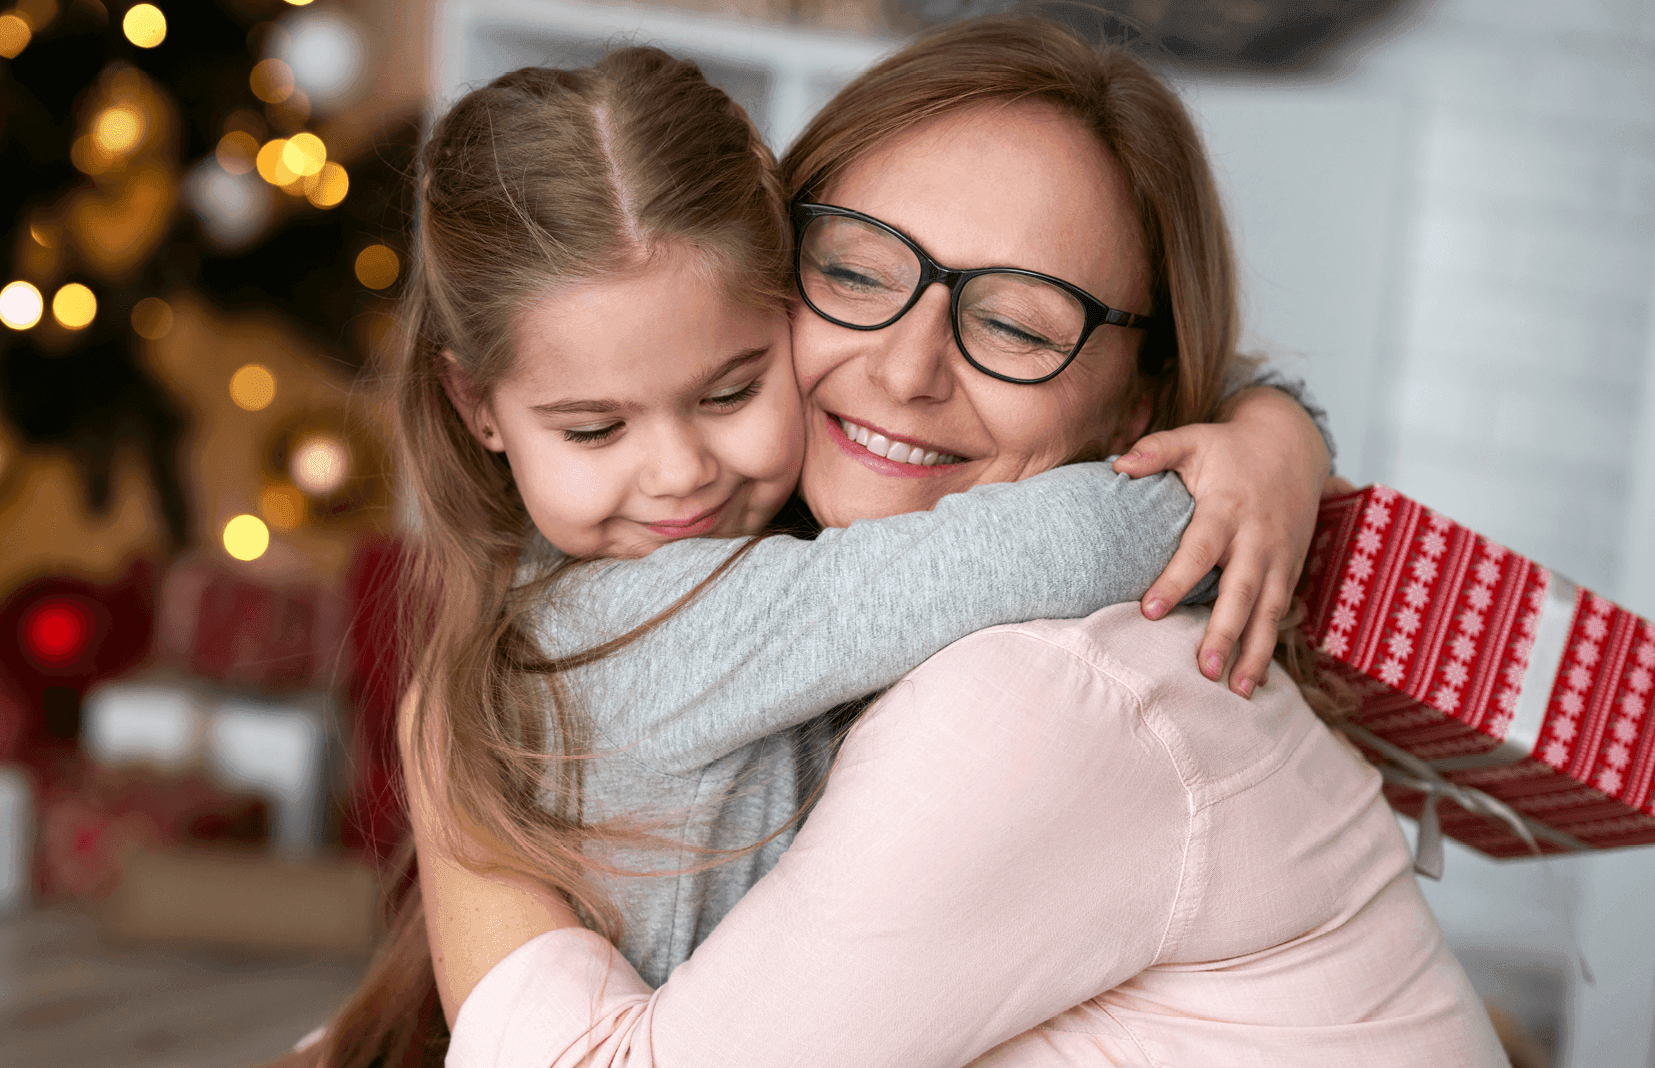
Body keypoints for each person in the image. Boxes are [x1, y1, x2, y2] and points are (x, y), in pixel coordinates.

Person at [418, 17, 1507, 1068]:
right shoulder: (629, 607)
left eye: (1017, 327)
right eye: (852, 272)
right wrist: (1232, 466)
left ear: (1140, 402)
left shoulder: (1038, 698)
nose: (904, 371)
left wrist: (1262, 443)